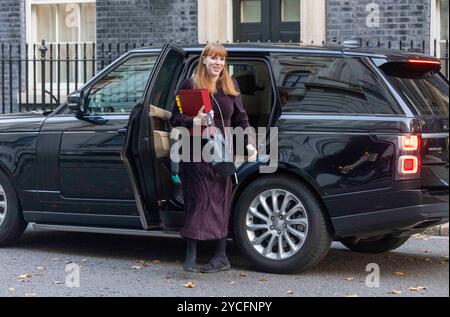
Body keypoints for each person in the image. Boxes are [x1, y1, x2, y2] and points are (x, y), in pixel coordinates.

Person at [170, 43, 257, 273]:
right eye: (213, 58)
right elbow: (174, 118)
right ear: (204, 60)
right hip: (195, 150)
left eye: (222, 59)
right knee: (197, 199)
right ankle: (191, 255)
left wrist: (249, 142)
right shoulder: (190, 84)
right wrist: (193, 122)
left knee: (220, 200)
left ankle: (221, 257)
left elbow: (242, 120)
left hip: (222, 152)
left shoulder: (231, 84)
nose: (218, 63)